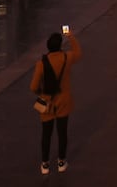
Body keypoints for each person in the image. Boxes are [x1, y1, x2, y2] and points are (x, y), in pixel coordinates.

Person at [30, 30, 81, 175]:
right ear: (60, 46)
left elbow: (33, 87)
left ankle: (45, 164)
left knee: (46, 134)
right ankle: (61, 162)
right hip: (63, 102)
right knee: (62, 133)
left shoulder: (41, 64)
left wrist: (41, 93)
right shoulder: (67, 58)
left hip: (47, 104)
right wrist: (70, 35)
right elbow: (78, 52)